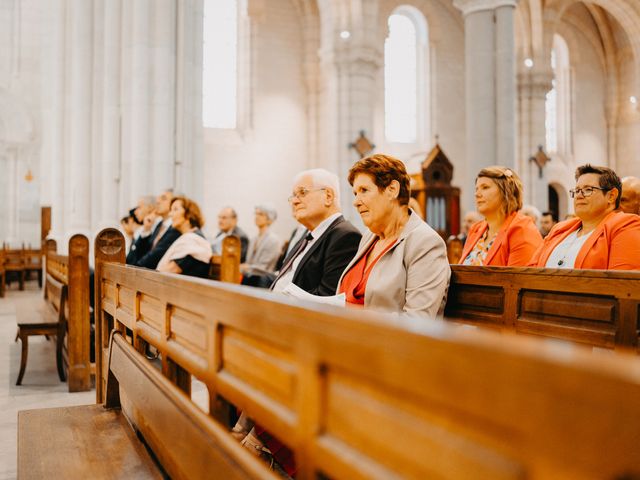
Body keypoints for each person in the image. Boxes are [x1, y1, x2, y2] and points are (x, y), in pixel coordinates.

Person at [338, 154, 450, 317]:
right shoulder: (369, 237)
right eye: (355, 193)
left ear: (392, 190)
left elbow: (417, 321)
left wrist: (354, 317)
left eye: (364, 190)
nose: (356, 201)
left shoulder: (426, 243)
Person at [529, 164, 640, 270]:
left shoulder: (626, 226)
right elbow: (530, 270)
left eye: (588, 190)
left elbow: (622, 283)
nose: (579, 196)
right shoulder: (559, 229)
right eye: (577, 191)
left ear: (611, 196)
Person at [270, 168, 362, 294]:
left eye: (302, 192)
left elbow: (326, 297)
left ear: (328, 196)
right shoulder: (308, 235)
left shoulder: (346, 236)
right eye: (293, 196)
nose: (295, 201)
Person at [459, 166, 542, 266]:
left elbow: (519, 280)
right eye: (476, 189)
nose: (477, 194)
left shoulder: (522, 230)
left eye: (485, 187)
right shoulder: (475, 229)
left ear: (506, 191)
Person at [157, 196, 212, 278]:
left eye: (175, 209)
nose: (170, 214)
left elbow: (168, 272)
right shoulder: (188, 238)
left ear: (188, 214)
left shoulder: (194, 241)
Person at [126, 189, 181, 269]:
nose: (158, 202)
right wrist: (147, 230)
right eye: (159, 199)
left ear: (175, 203)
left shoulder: (176, 228)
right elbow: (143, 252)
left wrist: (134, 267)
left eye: (164, 198)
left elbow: (156, 255)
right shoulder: (159, 225)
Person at [240, 205, 282, 275]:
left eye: (261, 214)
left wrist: (244, 267)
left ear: (269, 219)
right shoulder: (253, 239)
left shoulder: (273, 240)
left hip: (262, 281)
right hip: (248, 277)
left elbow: (263, 268)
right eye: (256, 214)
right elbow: (248, 262)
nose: (257, 216)